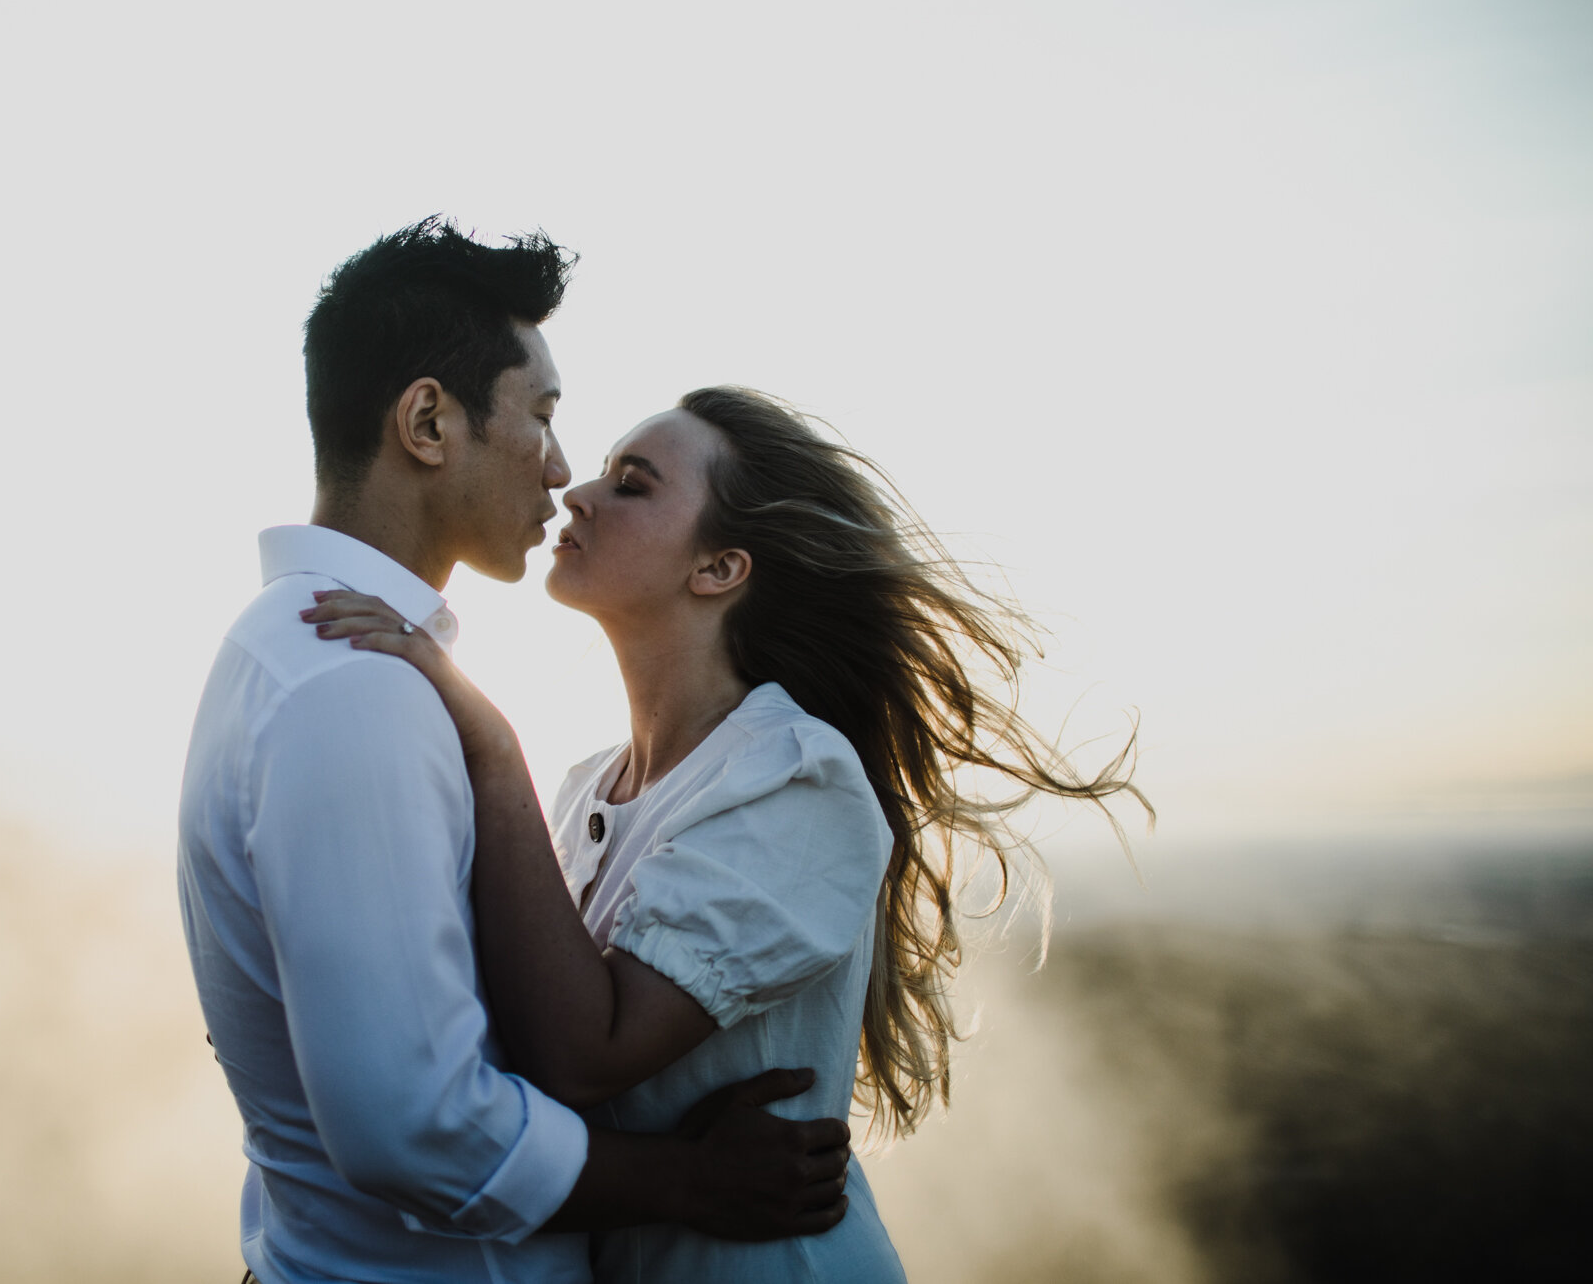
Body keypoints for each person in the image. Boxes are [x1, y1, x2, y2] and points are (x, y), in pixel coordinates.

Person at [304, 385, 1147, 1280]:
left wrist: (492, 749)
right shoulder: (587, 785)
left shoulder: (796, 775)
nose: (577, 492)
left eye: (631, 483)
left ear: (719, 569)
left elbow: (585, 1053)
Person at [176, 221, 855, 1284]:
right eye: (539, 415)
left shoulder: (309, 657)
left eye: (627, 479)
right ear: (427, 422)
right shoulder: (358, 685)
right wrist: (685, 1181)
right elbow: (415, 1124)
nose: (561, 468)